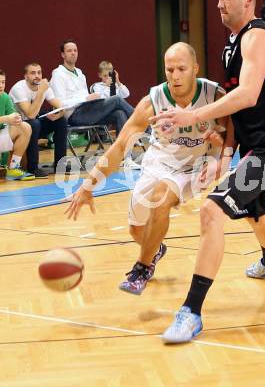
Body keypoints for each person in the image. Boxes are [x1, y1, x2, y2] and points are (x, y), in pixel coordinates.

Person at [151, 0, 265, 343]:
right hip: (252, 147)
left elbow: (247, 95)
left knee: (212, 210)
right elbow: (236, 109)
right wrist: (227, 150)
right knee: (256, 209)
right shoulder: (231, 45)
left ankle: (191, 312)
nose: (218, 3)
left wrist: (193, 116)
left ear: (248, 1)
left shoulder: (257, 37)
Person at [65, 42, 226, 295]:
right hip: (158, 161)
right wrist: (88, 186)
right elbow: (119, 147)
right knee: (136, 229)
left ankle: (141, 268)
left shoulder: (214, 95)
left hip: (196, 165)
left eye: (181, 69)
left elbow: (233, 131)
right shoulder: (152, 101)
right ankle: (154, 249)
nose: (175, 75)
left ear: (195, 68)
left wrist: (221, 149)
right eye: (169, 69)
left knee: (160, 198)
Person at [50, 40, 134, 136]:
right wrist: (85, 98)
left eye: (75, 50)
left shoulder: (80, 73)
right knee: (117, 99)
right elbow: (60, 104)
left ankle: (122, 149)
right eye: (69, 51)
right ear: (63, 55)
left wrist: (93, 98)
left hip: (89, 110)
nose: (73, 53)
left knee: (120, 113)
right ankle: (145, 125)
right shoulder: (58, 74)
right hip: (74, 115)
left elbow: (87, 97)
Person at [9, 63, 67, 177]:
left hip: (33, 123)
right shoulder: (19, 88)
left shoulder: (44, 86)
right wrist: (41, 92)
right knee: (34, 123)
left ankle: (60, 165)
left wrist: (61, 112)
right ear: (25, 76)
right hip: (18, 127)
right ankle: (33, 168)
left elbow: (59, 104)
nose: (37, 76)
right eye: (33, 73)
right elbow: (30, 114)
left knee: (61, 121)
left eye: (39, 72)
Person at [0, 69, 35, 181]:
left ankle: (13, 168)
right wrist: (6, 118)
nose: (1, 85)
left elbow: (12, 115)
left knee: (25, 127)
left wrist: (16, 118)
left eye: (3, 82)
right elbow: (7, 118)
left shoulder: (5, 97)